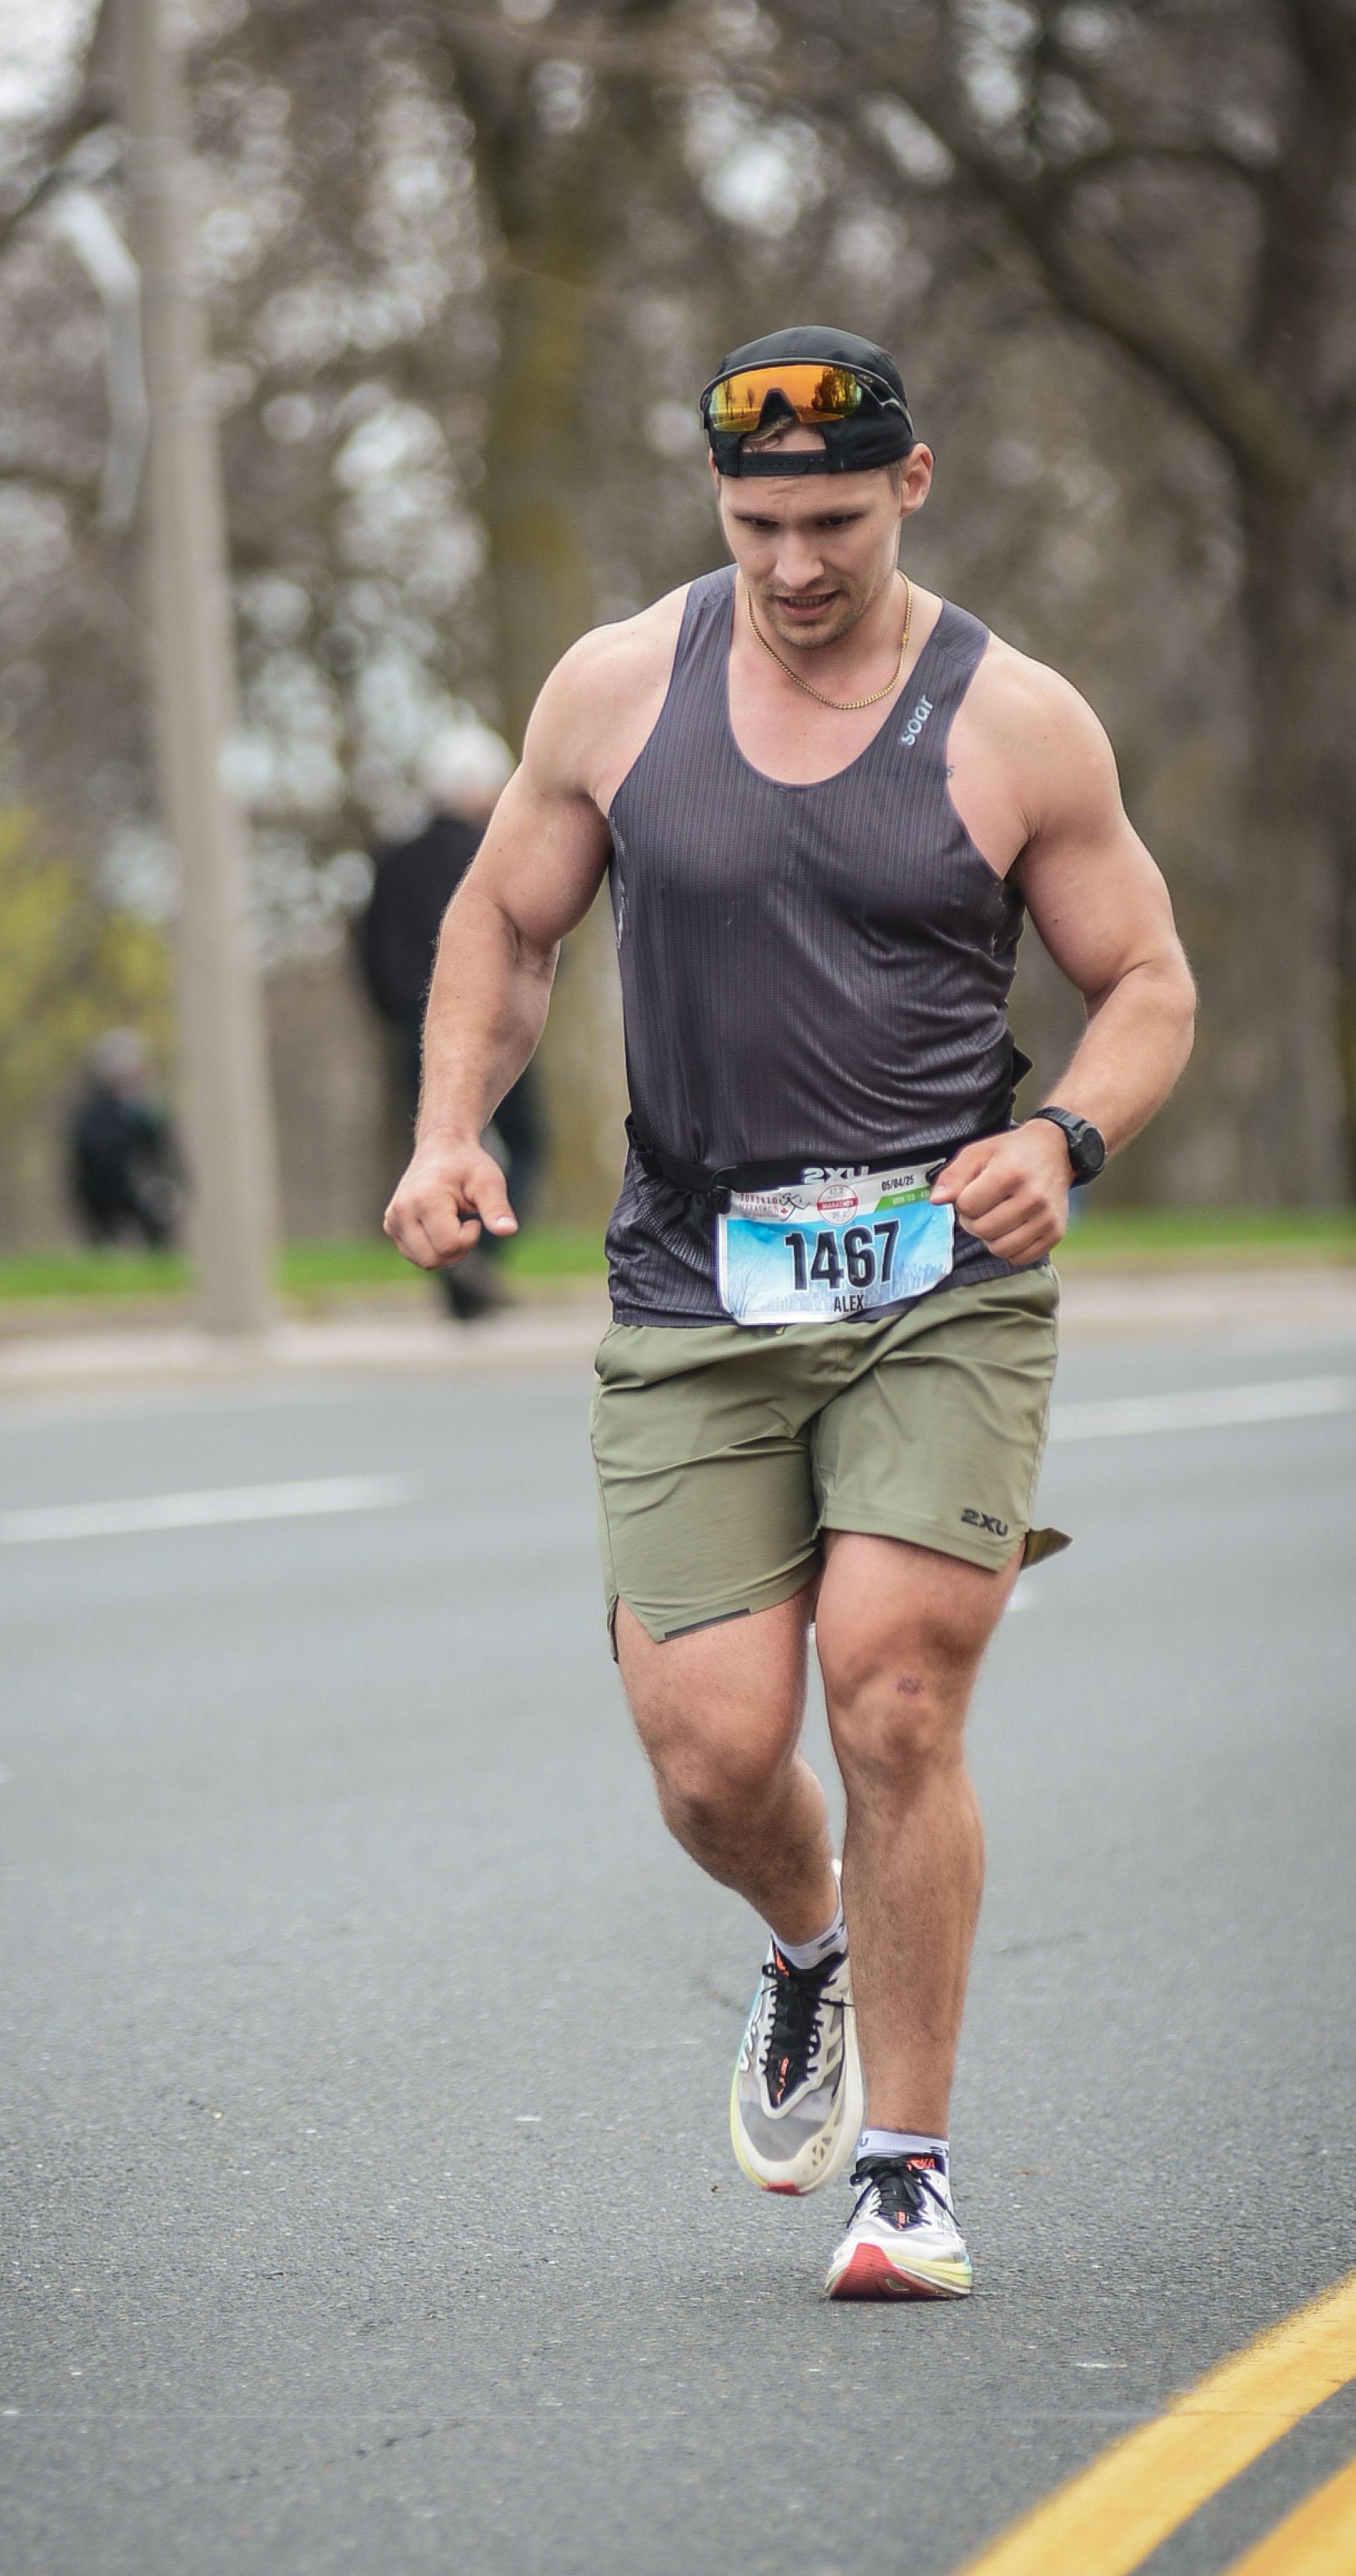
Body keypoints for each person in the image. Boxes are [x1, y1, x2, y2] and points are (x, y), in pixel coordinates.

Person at [384, 326, 1195, 2300]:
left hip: (942, 1272)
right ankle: (807, 1938)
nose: (796, 562)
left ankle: (906, 2174)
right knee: (713, 1759)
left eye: (832, 518)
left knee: (895, 1686)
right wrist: (449, 1130)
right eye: (758, 522)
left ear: (911, 487)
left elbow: (1151, 977)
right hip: (693, 1272)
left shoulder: (1016, 723)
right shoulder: (615, 689)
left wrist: (1069, 1135)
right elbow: (503, 919)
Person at [360, 725, 547, 1320]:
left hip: (414, 1035)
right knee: (521, 1140)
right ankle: (479, 1252)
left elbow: (371, 953)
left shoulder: (393, 862)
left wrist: (403, 1021)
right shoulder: (489, 855)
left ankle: (457, 1263)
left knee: (436, 1149)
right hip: (489, 1031)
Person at [67, 1029, 181, 1250]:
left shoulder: (149, 1105)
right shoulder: (94, 1110)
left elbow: (164, 1150)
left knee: (160, 1241)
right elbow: (90, 1156)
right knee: (106, 1246)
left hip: (147, 1188)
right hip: (103, 1192)